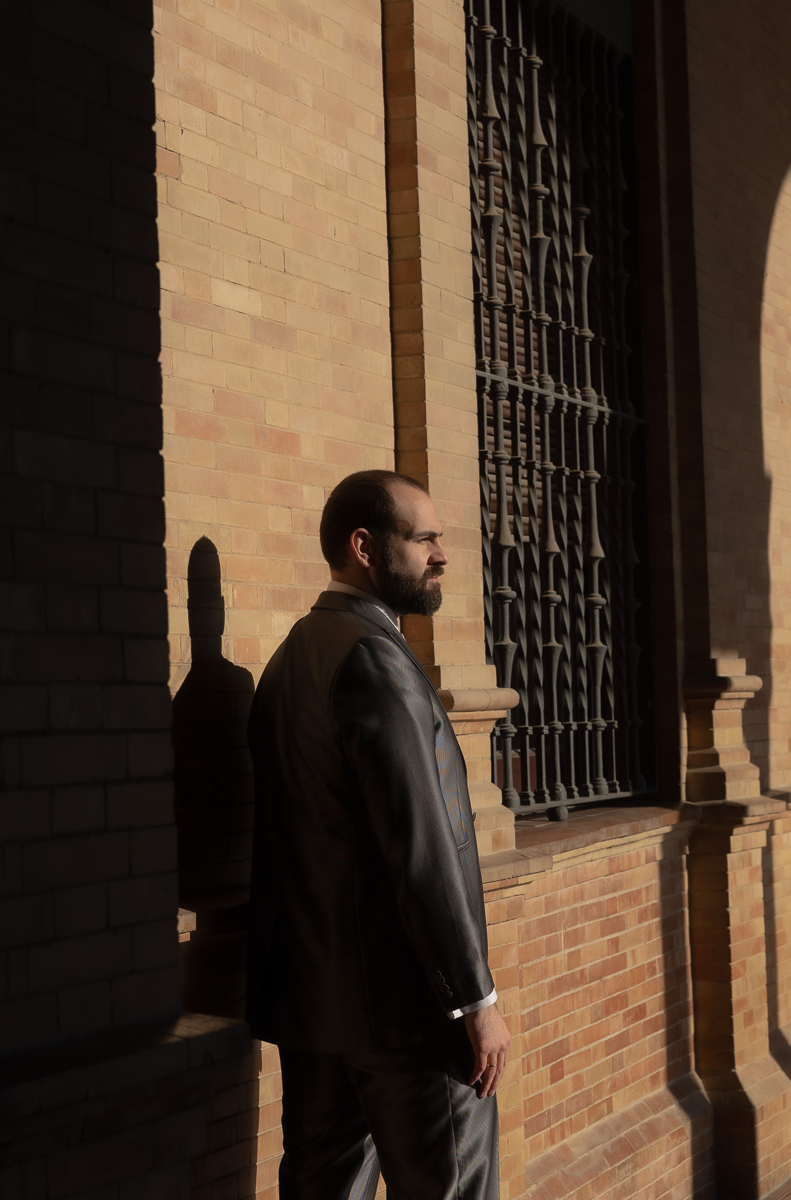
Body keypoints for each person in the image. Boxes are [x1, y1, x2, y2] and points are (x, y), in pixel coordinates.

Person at [245, 469, 509, 1200]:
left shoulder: (289, 659)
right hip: (406, 1014)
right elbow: (421, 848)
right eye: (423, 538)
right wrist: (474, 1001)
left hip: (317, 1008)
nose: (442, 555)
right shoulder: (373, 660)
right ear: (365, 547)